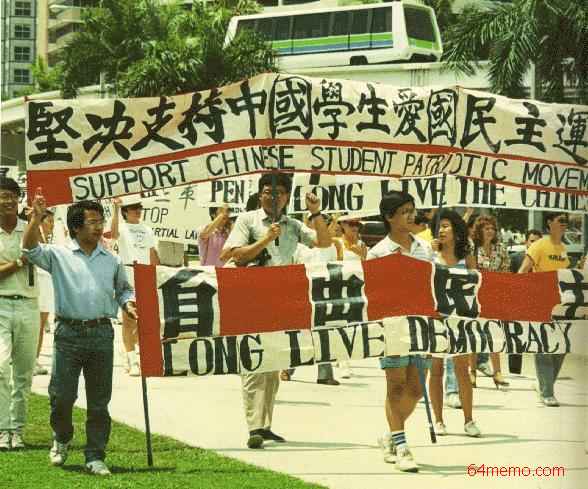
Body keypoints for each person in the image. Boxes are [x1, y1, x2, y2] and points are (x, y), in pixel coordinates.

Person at [23, 194, 136, 476]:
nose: (99, 227)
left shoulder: (112, 259)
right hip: (68, 335)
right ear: (76, 227)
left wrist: (128, 304)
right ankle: (62, 437)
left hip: (101, 333)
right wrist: (36, 219)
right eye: (92, 222)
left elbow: (123, 289)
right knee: (62, 397)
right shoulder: (58, 254)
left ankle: (95, 455)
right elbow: (29, 249)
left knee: (99, 401)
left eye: (100, 221)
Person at [221, 173, 330, 449]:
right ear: (260, 195)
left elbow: (324, 242)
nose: (274, 197)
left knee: (273, 363)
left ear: (287, 197)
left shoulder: (292, 225)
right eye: (269, 192)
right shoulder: (248, 220)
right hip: (252, 298)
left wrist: (316, 212)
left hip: (281, 300)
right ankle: (254, 426)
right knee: (253, 363)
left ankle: (265, 425)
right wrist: (265, 240)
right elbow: (234, 254)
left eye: (279, 193)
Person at [367, 190, 433, 473]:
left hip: (421, 327)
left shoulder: (424, 248)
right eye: (404, 211)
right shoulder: (378, 252)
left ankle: (390, 435)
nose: (410, 215)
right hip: (392, 328)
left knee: (416, 389)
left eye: (411, 210)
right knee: (395, 386)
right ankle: (402, 445)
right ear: (389, 217)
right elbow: (372, 293)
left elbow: (434, 285)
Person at [429, 209, 480, 438]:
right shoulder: (430, 255)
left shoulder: (466, 256)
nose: (441, 230)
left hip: (460, 319)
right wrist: (429, 254)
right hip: (436, 319)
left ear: (456, 230)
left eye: (446, 225)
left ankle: (469, 420)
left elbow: (476, 286)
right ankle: (438, 421)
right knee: (436, 370)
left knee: (462, 370)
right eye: (438, 226)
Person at [0, 177, 39, 451]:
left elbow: (37, 254)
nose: (9, 201)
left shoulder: (29, 228)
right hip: (1, 304)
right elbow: (22, 260)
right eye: (3, 196)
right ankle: (3, 428)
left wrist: (35, 219)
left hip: (28, 304)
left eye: (13, 195)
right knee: (1, 368)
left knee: (24, 373)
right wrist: (16, 263)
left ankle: (17, 429)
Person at [519, 212, 571, 407]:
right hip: (539, 302)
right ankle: (547, 391)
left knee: (561, 347)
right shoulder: (539, 245)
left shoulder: (563, 248)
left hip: (560, 304)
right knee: (543, 347)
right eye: (561, 221)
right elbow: (523, 271)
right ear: (549, 223)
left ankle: (544, 384)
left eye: (566, 221)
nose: (564, 224)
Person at [111, 196, 158, 376]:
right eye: (133, 208)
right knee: (129, 318)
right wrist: (115, 209)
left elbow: (152, 253)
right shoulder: (122, 227)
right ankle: (133, 360)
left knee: (146, 319)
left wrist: (156, 275)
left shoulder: (147, 229)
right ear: (125, 211)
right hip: (127, 273)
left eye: (139, 207)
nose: (138, 211)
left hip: (145, 275)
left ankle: (128, 349)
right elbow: (113, 234)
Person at [469, 214, 510, 390]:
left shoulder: (501, 248)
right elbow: (469, 271)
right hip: (475, 296)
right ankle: (472, 371)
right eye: (487, 228)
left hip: (495, 296)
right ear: (479, 230)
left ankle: (497, 372)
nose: (490, 231)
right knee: (473, 334)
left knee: (495, 334)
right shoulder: (472, 248)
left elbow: (506, 270)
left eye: (493, 228)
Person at [507, 229, 542, 374]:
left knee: (540, 335)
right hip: (518, 301)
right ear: (526, 242)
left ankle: (542, 371)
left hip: (539, 301)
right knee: (516, 334)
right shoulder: (515, 258)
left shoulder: (545, 258)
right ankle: (515, 370)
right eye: (532, 241)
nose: (535, 244)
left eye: (538, 242)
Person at [35, 207, 57, 376]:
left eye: (53, 221)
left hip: (48, 281)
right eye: (49, 221)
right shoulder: (34, 234)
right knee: (36, 324)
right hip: (36, 281)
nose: (52, 224)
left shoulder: (54, 237)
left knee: (41, 324)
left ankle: (34, 359)